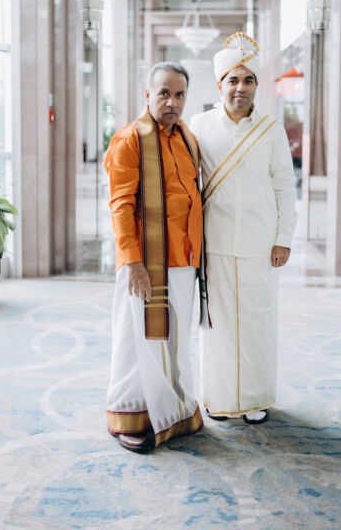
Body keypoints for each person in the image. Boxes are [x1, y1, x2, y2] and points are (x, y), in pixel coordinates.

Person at [190, 32, 297, 425]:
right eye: (233, 80)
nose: (240, 87)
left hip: (260, 243)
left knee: (257, 321)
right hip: (215, 243)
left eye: (248, 80)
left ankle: (254, 399)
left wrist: (284, 239)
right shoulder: (199, 125)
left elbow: (285, 186)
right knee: (217, 325)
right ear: (220, 85)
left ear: (256, 85)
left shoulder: (271, 129)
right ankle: (218, 398)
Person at [103, 62, 208, 452]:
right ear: (148, 94)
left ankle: (169, 411)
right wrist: (133, 263)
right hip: (146, 262)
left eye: (179, 94)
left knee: (171, 340)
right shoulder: (129, 140)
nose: (172, 102)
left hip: (183, 258)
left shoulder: (187, 137)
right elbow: (120, 206)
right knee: (136, 340)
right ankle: (128, 414)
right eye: (164, 93)